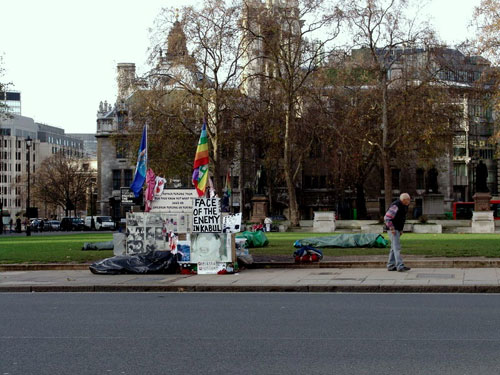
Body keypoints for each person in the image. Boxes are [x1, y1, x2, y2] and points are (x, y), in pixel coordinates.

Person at [384, 193, 411, 272]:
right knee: (397, 248)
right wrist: (392, 228)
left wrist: (401, 229)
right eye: (408, 199)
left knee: (393, 248)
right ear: (403, 200)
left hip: (397, 229)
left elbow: (401, 218)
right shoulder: (396, 205)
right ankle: (400, 266)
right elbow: (387, 217)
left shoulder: (404, 206)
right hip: (393, 229)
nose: (409, 201)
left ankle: (391, 265)